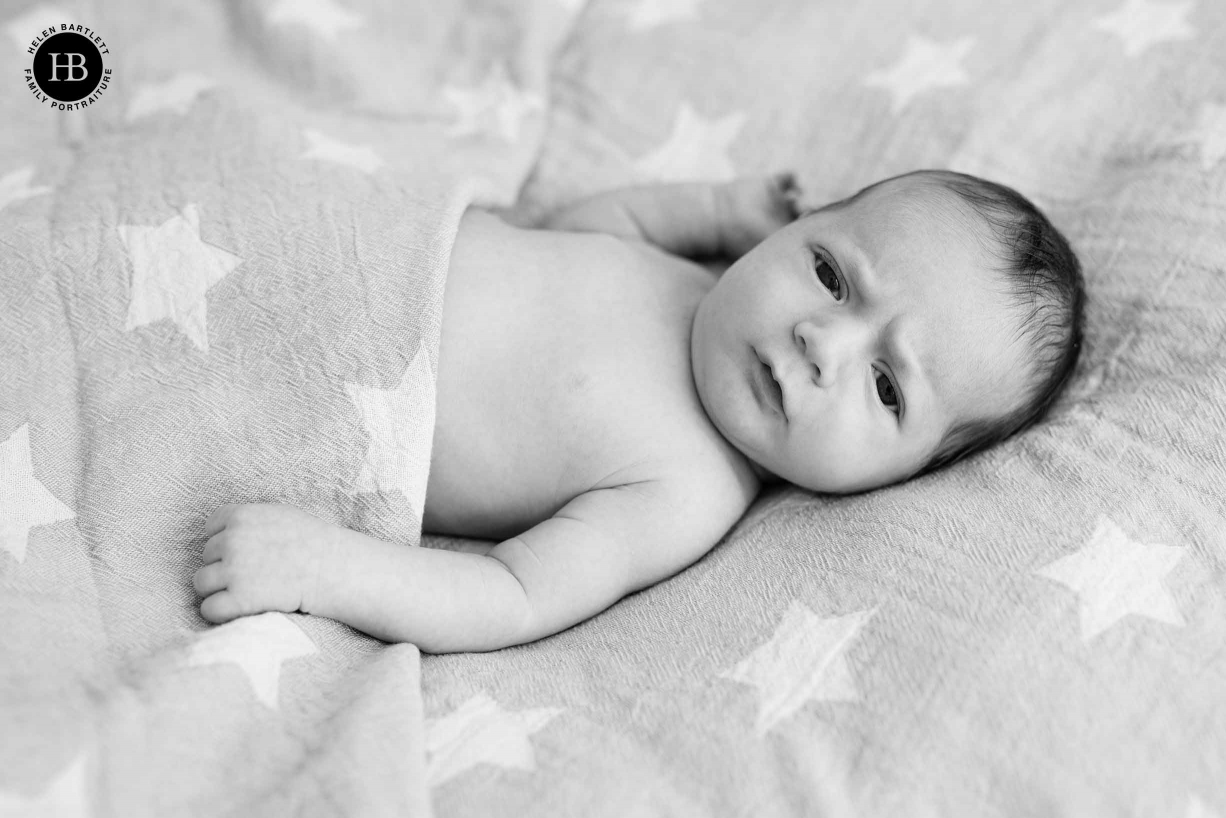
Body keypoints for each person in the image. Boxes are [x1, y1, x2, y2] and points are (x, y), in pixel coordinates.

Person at [191, 168, 1085, 653]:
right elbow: (578, 219)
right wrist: (715, 207)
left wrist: (329, 571)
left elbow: (511, 595)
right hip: (324, 239)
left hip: (289, 385)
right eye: (830, 272)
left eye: (888, 388)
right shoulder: (685, 279)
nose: (823, 339)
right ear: (788, 229)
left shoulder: (685, 489)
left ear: (902, 478)